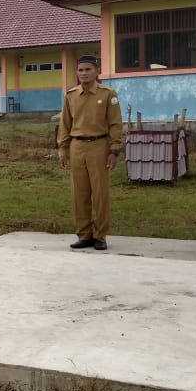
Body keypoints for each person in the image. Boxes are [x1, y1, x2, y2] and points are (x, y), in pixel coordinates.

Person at [57, 54, 123, 251]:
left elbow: (115, 124)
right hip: (77, 147)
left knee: (100, 193)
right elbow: (64, 124)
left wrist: (114, 150)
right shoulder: (71, 96)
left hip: (99, 146)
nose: (83, 73)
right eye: (80, 70)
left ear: (96, 71)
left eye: (88, 69)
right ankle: (84, 234)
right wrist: (63, 149)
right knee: (79, 193)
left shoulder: (108, 94)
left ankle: (100, 236)